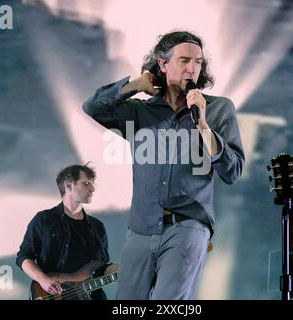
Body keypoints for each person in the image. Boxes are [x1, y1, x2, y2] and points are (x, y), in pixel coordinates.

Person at [82, 30, 244, 299]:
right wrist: (136, 85)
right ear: (162, 64)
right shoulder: (139, 111)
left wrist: (203, 126)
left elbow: (232, 171)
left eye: (198, 62)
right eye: (184, 61)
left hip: (188, 224)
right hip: (141, 228)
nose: (193, 68)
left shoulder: (218, 109)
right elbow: (93, 107)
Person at [16, 163, 118, 300]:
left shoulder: (97, 226)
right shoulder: (44, 220)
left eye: (92, 184)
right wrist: (43, 279)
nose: (93, 189)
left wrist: (131, 269)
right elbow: (24, 256)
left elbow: (102, 266)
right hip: (53, 295)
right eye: (87, 183)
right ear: (68, 185)